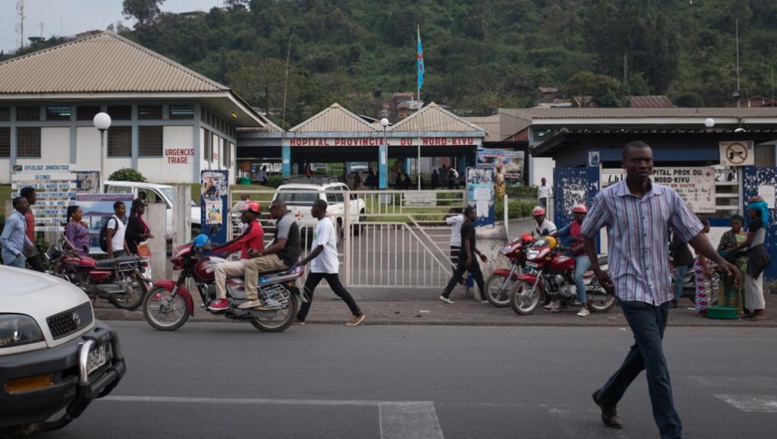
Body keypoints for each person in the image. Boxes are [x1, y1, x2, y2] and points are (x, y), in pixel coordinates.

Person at [581, 141, 739, 439]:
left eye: (648, 161)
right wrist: (599, 271)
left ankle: (607, 396)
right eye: (637, 160)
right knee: (656, 362)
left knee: (642, 353)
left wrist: (720, 261)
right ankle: (671, 431)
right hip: (629, 288)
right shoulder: (608, 198)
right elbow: (588, 233)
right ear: (624, 164)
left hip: (662, 290)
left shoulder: (667, 197)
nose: (643, 165)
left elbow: (693, 233)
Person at [294, 200, 365, 326]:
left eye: (313, 207)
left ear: (319, 209)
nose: (311, 210)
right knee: (308, 290)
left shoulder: (326, 224)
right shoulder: (321, 223)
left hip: (327, 265)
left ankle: (357, 313)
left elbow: (321, 246)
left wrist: (304, 261)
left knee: (338, 290)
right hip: (319, 265)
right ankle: (300, 317)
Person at [240, 200, 302, 309]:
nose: (270, 214)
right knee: (257, 262)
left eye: (271, 210)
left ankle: (252, 299)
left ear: (277, 209)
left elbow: (280, 245)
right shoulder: (284, 219)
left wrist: (260, 252)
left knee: (251, 264)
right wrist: (261, 254)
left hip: (283, 258)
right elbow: (275, 243)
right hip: (285, 257)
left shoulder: (284, 222)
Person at [207, 202, 265, 311]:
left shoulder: (253, 227)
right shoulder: (253, 226)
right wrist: (227, 252)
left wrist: (215, 249)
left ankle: (222, 299)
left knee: (219, 268)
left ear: (252, 214)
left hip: (248, 262)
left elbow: (236, 241)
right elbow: (240, 244)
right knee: (216, 265)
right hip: (246, 261)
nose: (241, 216)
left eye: (244, 213)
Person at [729, 198, 770, 321]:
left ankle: (760, 312)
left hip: (757, 255)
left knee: (753, 283)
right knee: (751, 283)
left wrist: (734, 250)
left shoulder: (755, 223)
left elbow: (749, 241)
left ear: (756, 211)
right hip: (759, 254)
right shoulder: (760, 222)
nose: (749, 213)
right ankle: (754, 310)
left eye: (751, 211)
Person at [439, 206, 488, 304]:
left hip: (463, 254)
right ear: (469, 214)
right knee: (478, 276)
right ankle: (484, 298)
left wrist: (479, 253)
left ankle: (445, 294)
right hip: (468, 255)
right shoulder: (469, 226)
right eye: (474, 213)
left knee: (457, 275)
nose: (475, 215)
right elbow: (467, 241)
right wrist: (470, 257)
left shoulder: (465, 224)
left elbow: (470, 243)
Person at [549, 204, 591, 316]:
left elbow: (586, 243)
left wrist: (575, 249)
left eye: (579, 213)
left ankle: (584, 306)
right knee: (560, 272)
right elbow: (559, 232)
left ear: (585, 215)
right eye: (575, 213)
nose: (576, 215)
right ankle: (562, 301)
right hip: (572, 255)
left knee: (577, 276)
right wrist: (546, 239)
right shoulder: (572, 225)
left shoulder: (589, 226)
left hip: (584, 256)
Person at [717, 214, 748, 315]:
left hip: (744, 265)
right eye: (733, 223)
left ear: (741, 224)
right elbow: (720, 250)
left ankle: (742, 308)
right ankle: (730, 308)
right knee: (730, 286)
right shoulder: (727, 235)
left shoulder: (746, 235)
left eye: (737, 224)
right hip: (730, 265)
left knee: (742, 287)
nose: (734, 225)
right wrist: (728, 254)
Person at [1, 196, 35, 268]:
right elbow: (3, 239)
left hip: (18, 255)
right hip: (12, 256)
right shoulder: (14, 219)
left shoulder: (22, 219)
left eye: (27, 202)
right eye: (24, 202)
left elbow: (23, 234)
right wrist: (16, 252)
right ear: (18, 205)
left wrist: (30, 245)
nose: (28, 204)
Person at [19, 187, 45, 272]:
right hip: (24, 246)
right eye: (34, 196)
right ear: (28, 197)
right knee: (40, 271)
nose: (35, 198)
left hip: (30, 245)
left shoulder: (29, 210)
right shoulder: (21, 212)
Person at [692, 218, 713, 315]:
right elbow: (701, 254)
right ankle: (703, 309)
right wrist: (706, 268)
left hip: (703, 264)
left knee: (705, 287)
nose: (709, 227)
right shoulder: (701, 237)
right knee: (703, 288)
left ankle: (703, 307)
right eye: (708, 225)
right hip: (702, 264)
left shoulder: (701, 236)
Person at [669, 230, 694, 308]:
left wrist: (663, 248)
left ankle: (675, 300)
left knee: (679, 279)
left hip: (683, 259)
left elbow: (677, 244)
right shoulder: (670, 232)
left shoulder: (680, 232)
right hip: (677, 258)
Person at [446, 208, 466, 285]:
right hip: (463, 244)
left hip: (455, 243)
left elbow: (445, 220)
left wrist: (449, 212)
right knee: (462, 262)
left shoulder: (456, 218)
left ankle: (459, 280)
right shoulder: (464, 218)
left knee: (455, 263)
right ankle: (461, 279)